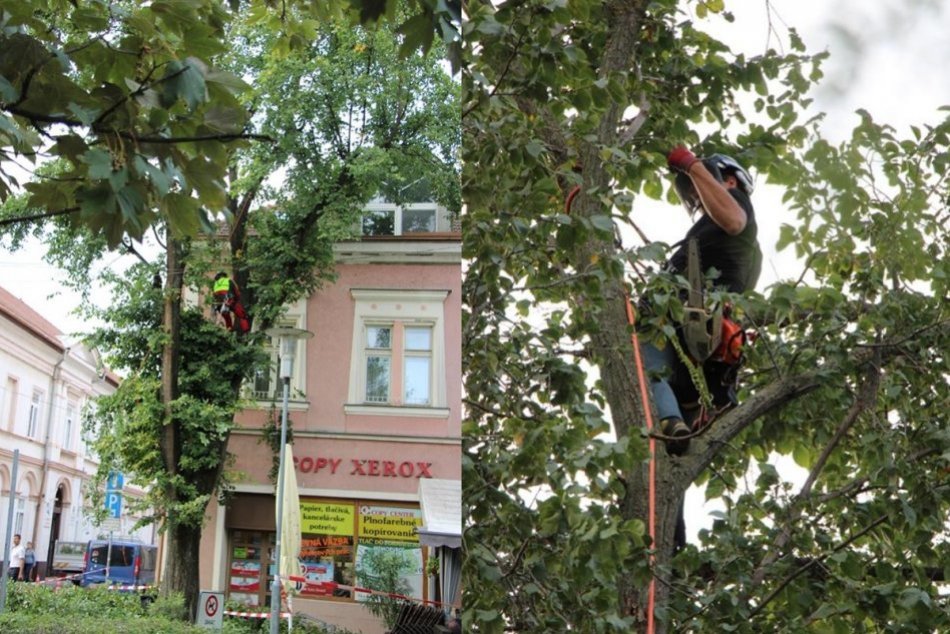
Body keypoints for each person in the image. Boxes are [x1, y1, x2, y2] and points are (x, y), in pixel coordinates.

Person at [643, 146, 762, 456]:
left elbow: (734, 220)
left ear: (730, 181)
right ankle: (677, 424)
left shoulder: (736, 203)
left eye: (700, 189)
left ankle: (670, 420)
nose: (697, 200)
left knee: (642, 352)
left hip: (688, 320)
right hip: (698, 352)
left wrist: (691, 165)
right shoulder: (742, 251)